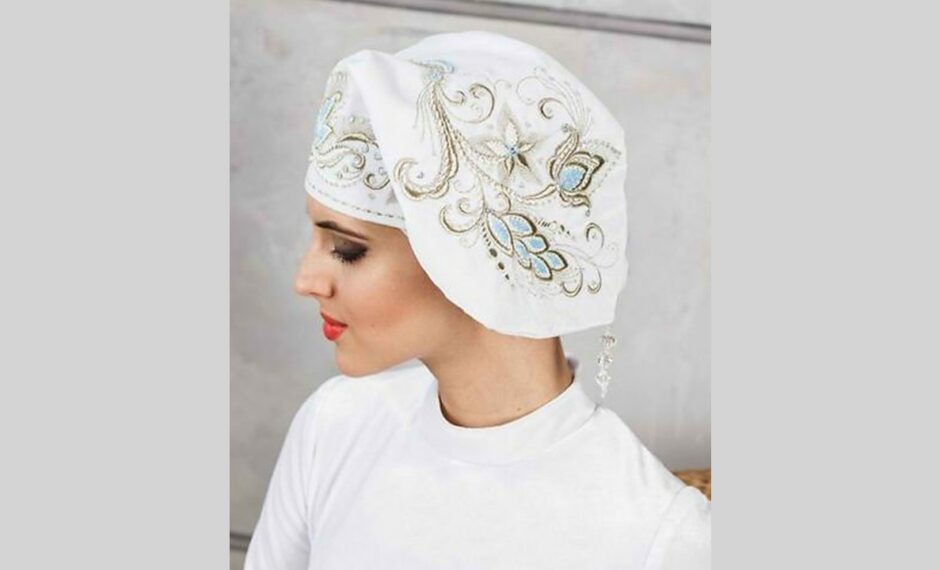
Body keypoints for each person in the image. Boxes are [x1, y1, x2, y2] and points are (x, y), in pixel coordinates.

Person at [245, 30, 710, 569]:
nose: (306, 280)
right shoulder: (335, 427)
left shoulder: (662, 536)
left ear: (463, 257)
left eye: (347, 250)